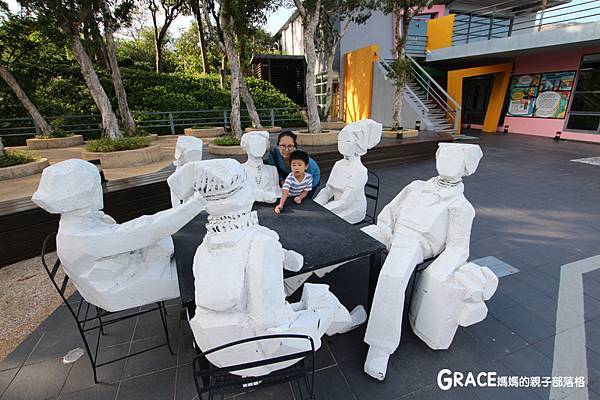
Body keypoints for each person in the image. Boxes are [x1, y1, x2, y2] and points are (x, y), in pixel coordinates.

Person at [172, 159, 366, 376]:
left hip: (214, 349)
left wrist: (285, 258)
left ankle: (250, 375)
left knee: (297, 303)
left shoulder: (205, 246)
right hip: (256, 353)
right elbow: (271, 323)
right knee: (321, 296)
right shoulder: (261, 245)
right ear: (245, 195)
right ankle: (345, 323)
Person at [360, 143, 498, 381]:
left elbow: (458, 247)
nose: (446, 160)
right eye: (444, 154)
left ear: (466, 166)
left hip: (416, 243)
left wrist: (438, 272)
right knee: (350, 240)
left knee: (392, 275)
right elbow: (390, 210)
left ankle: (380, 345)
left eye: (454, 158)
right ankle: (300, 278)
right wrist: (384, 228)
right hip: (391, 231)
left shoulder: (461, 207)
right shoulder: (415, 186)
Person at [31, 159, 207, 312]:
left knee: (181, 244)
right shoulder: (82, 236)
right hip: (117, 287)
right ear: (83, 192)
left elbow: (136, 232)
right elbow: (143, 231)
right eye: (95, 185)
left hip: (117, 272)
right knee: (205, 271)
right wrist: (196, 203)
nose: (98, 189)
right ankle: (201, 317)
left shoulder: (77, 224)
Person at [240, 130, 281, 203]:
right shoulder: (240, 169)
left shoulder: (272, 170)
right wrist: (264, 196)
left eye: (261, 144)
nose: (258, 147)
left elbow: (276, 193)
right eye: (254, 144)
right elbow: (240, 192)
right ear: (246, 147)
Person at [274, 150, 312, 214]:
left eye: (299, 165)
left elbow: (306, 191)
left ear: (306, 166)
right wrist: (281, 205)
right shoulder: (290, 178)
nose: (296, 168)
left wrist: (300, 197)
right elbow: (285, 193)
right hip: (286, 196)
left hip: (296, 195)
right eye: (293, 165)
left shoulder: (309, 177)